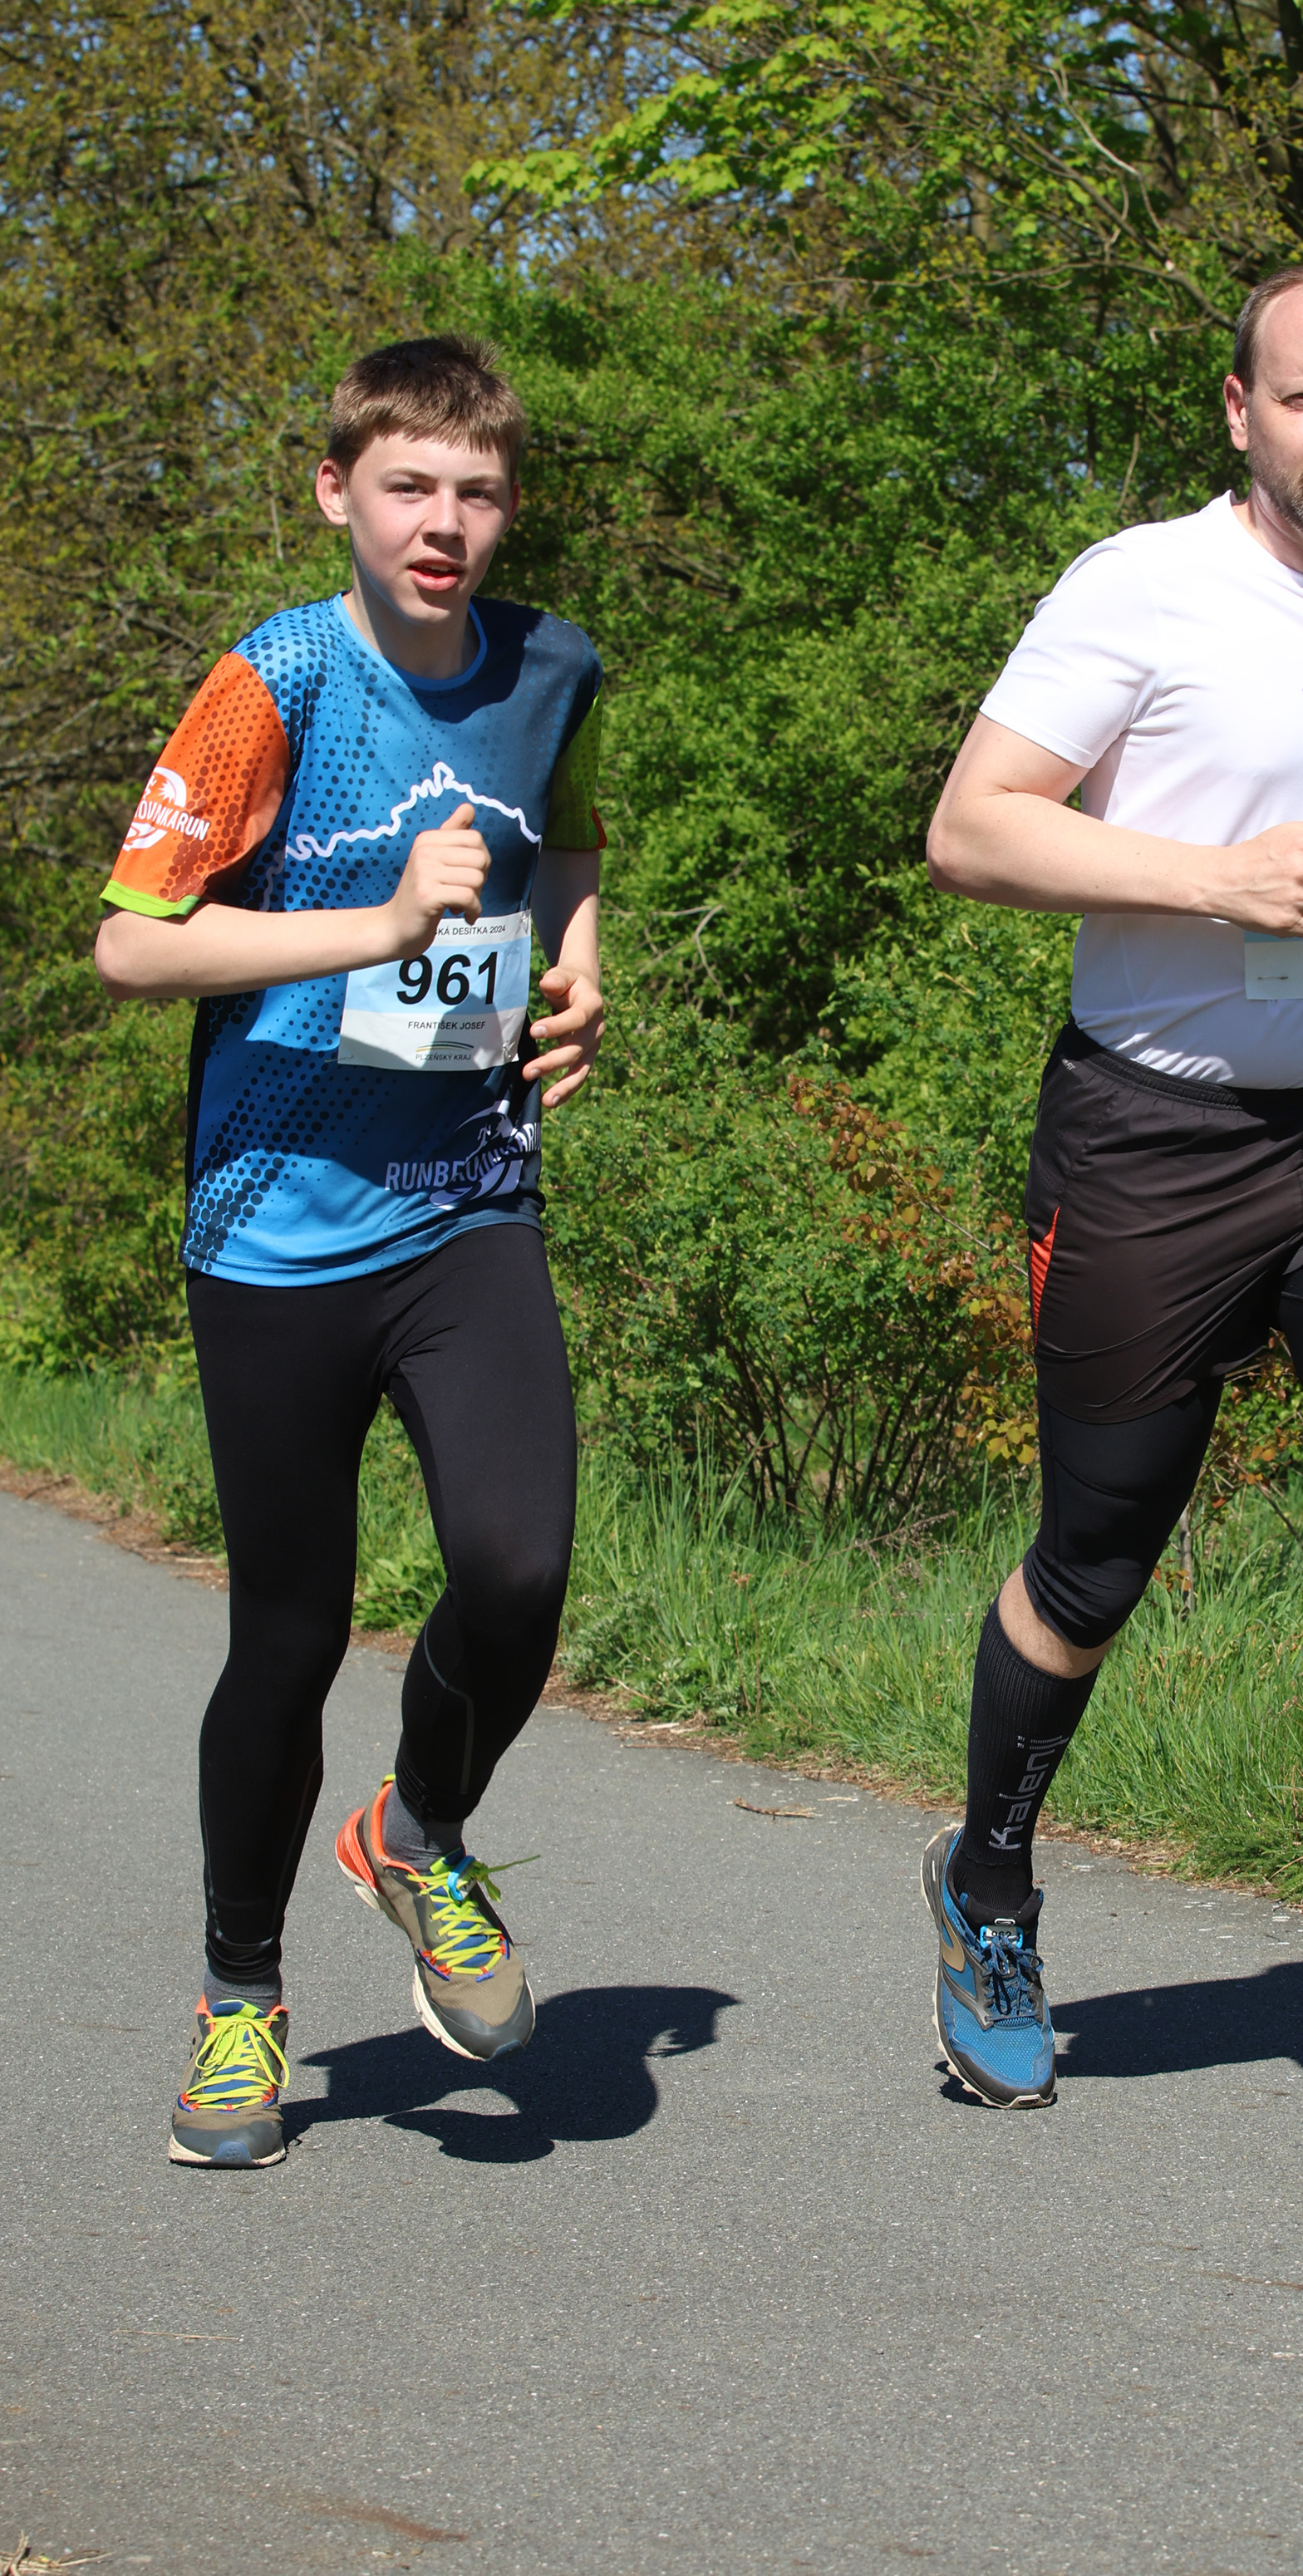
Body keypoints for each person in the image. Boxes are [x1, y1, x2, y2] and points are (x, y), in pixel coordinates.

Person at [920, 261, 1303, 2127]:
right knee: (1096, 1553)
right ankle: (988, 1882)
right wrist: (1214, 877)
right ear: (1240, 411)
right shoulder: (1142, 587)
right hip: (1155, 1134)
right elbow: (971, 827)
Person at [95, 336, 605, 2169]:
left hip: (468, 1200)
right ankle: (240, 1997)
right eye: (407, 488)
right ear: (339, 494)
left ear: (507, 506)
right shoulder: (277, 682)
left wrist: (580, 970)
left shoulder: (553, 665)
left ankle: (420, 1829)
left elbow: (565, 844)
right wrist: (377, 926)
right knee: (290, 1635)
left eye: (476, 492)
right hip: (277, 1227)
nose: (442, 524)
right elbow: (134, 943)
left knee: (518, 1569)